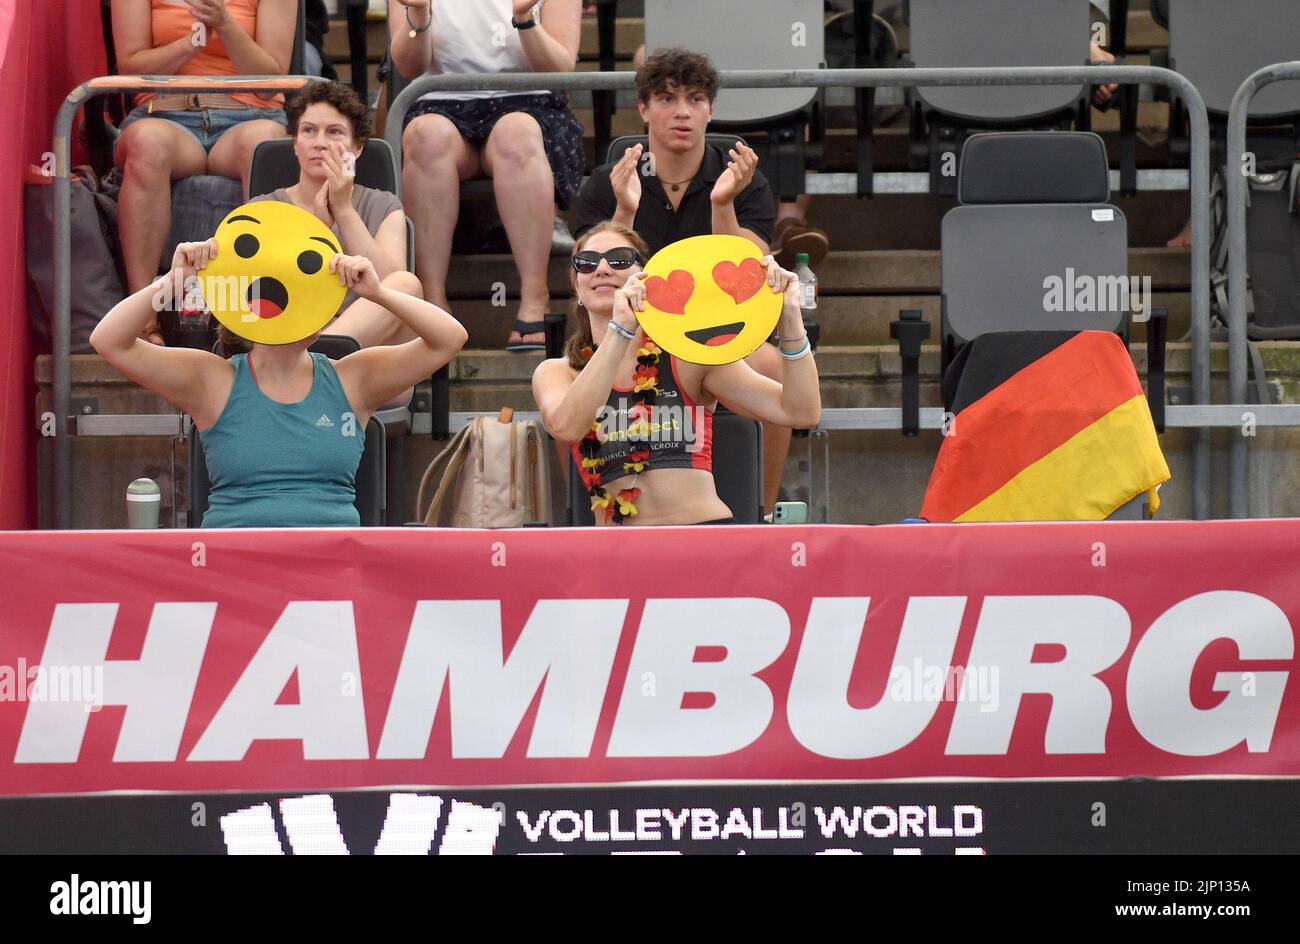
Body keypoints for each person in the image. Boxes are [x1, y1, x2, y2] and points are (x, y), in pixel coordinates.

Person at [90, 240, 469, 527]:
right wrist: (173, 282)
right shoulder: (212, 380)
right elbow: (108, 341)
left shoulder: (352, 378)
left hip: (330, 570)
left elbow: (449, 339)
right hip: (235, 568)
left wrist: (380, 294)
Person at [570, 47, 796, 517]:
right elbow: (591, 272)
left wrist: (722, 205)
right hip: (630, 334)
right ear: (645, 108)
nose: (681, 112)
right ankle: (586, 514)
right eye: (667, 98)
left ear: (711, 109)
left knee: (774, 367)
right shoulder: (606, 184)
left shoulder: (744, 181)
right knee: (571, 383)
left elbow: (750, 280)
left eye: (695, 99)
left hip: (712, 334)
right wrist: (625, 210)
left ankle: (766, 510)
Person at [532, 221, 820, 526]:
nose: (602, 269)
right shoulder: (557, 372)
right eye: (587, 263)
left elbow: (800, 411)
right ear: (577, 288)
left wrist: (790, 319)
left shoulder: (689, 355)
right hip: (619, 553)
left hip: (702, 540)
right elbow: (566, 428)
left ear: (646, 278)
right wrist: (620, 332)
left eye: (619, 259)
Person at [389, 0, 584, 351]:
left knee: (517, 134)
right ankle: (432, 301)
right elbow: (407, 65)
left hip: (530, 99)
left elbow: (559, 66)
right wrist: (418, 15)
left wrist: (524, 19)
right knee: (424, 135)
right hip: (440, 98)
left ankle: (534, 295)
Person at [112, 0, 297, 343]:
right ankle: (142, 316)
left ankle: (267, 314)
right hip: (166, 114)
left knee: (266, 146)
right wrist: (190, 44)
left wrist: (224, 24)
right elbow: (130, 64)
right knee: (145, 143)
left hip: (248, 115)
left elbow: (270, 80)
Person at [249, 81, 418, 349]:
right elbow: (257, 294)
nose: (320, 143)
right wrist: (316, 229)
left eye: (334, 132)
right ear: (295, 144)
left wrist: (343, 209)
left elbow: (390, 291)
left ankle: (320, 359)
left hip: (364, 356)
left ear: (357, 148)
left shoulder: (383, 205)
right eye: (309, 131)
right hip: (284, 342)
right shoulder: (262, 210)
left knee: (405, 285)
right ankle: (315, 362)